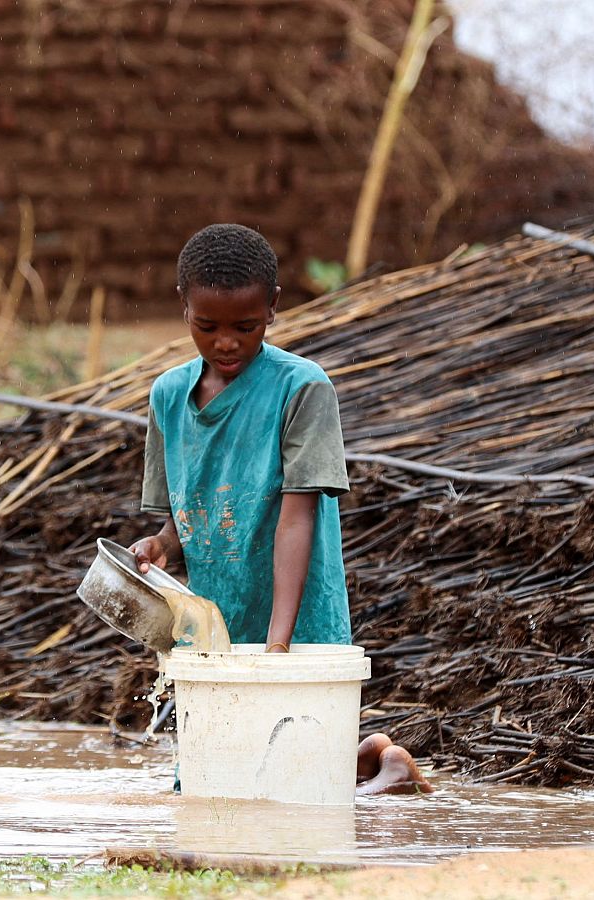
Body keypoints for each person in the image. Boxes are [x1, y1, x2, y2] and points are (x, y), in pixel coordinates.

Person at [130, 223, 430, 796]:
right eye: (207, 326)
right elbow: (186, 511)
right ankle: (370, 759)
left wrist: (278, 647)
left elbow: (298, 516)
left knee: (291, 785)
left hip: (296, 609)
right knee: (213, 783)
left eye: (245, 327)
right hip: (219, 614)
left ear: (273, 308)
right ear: (183, 308)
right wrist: (160, 547)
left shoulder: (302, 388)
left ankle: (377, 767)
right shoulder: (168, 395)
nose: (226, 342)